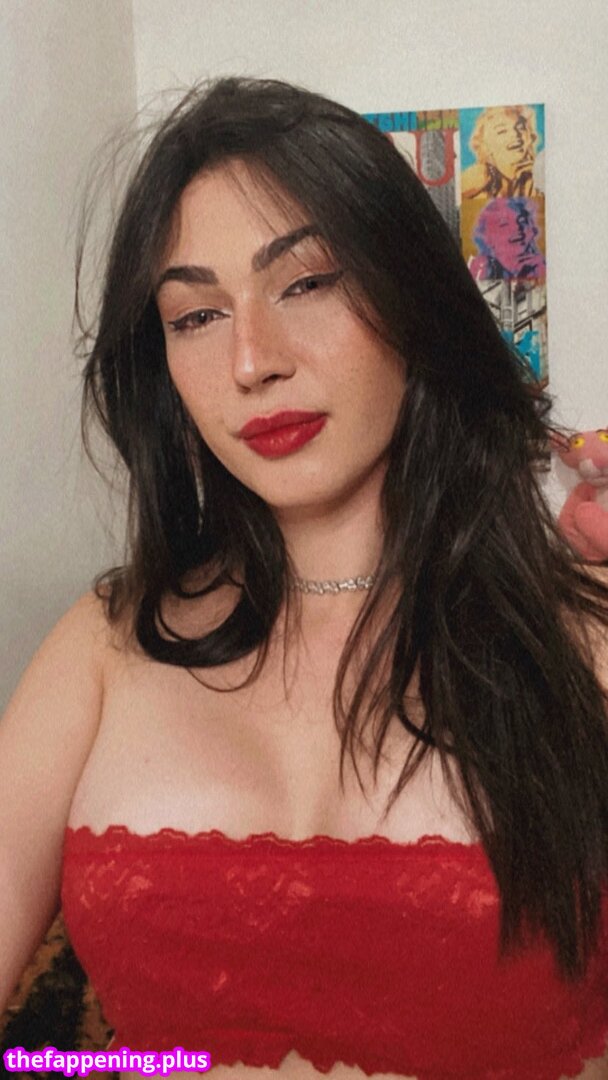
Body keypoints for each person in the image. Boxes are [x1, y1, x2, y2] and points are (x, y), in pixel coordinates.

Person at [2, 76, 608, 1080]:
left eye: (309, 282)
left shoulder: (585, 645)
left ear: (412, 297)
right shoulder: (103, 643)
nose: (251, 362)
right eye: (196, 314)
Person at [461, 104, 542, 199]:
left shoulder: (535, 176)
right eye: (502, 131)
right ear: (485, 146)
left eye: (520, 128)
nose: (515, 134)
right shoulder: (479, 176)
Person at [468, 196, 546, 281]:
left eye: (522, 221)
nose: (517, 227)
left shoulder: (541, 266)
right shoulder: (478, 271)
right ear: (487, 238)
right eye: (504, 224)